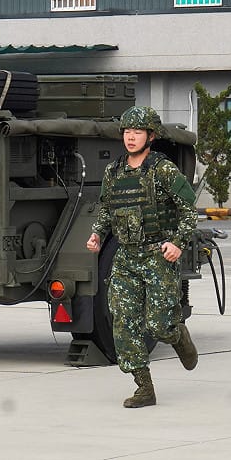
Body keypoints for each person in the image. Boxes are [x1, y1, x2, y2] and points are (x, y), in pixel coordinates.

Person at [86, 105, 199, 408]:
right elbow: (107, 209)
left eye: (137, 132)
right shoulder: (114, 171)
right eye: (127, 131)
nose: (131, 137)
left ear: (151, 136)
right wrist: (97, 233)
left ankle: (177, 335)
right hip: (126, 258)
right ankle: (144, 387)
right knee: (123, 323)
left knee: (159, 326)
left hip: (157, 256)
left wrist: (177, 243)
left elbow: (189, 210)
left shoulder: (163, 170)